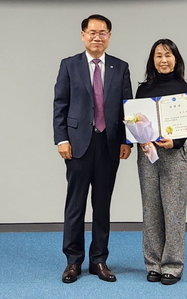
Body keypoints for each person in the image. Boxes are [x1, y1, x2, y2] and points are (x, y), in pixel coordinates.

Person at [53, 14, 133, 284]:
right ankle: (73, 261)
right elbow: (60, 104)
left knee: (102, 205)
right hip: (77, 144)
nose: (97, 37)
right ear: (83, 35)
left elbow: (126, 107)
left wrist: (127, 140)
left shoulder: (120, 67)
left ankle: (99, 259)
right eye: (92, 32)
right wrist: (61, 139)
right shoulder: (69, 65)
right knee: (75, 205)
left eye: (103, 33)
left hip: (109, 144)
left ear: (109, 36)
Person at [135, 38, 187, 286]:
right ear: (152, 60)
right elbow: (136, 121)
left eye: (168, 55)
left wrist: (175, 142)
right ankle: (153, 264)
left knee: (173, 211)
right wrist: (140, 139)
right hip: (148, 155)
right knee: (151, 210)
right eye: (158, 55)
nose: (163, 60)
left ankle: (172, 265)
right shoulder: (143, 91)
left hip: (173, 155)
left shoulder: (186, 89)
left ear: (176, 59)